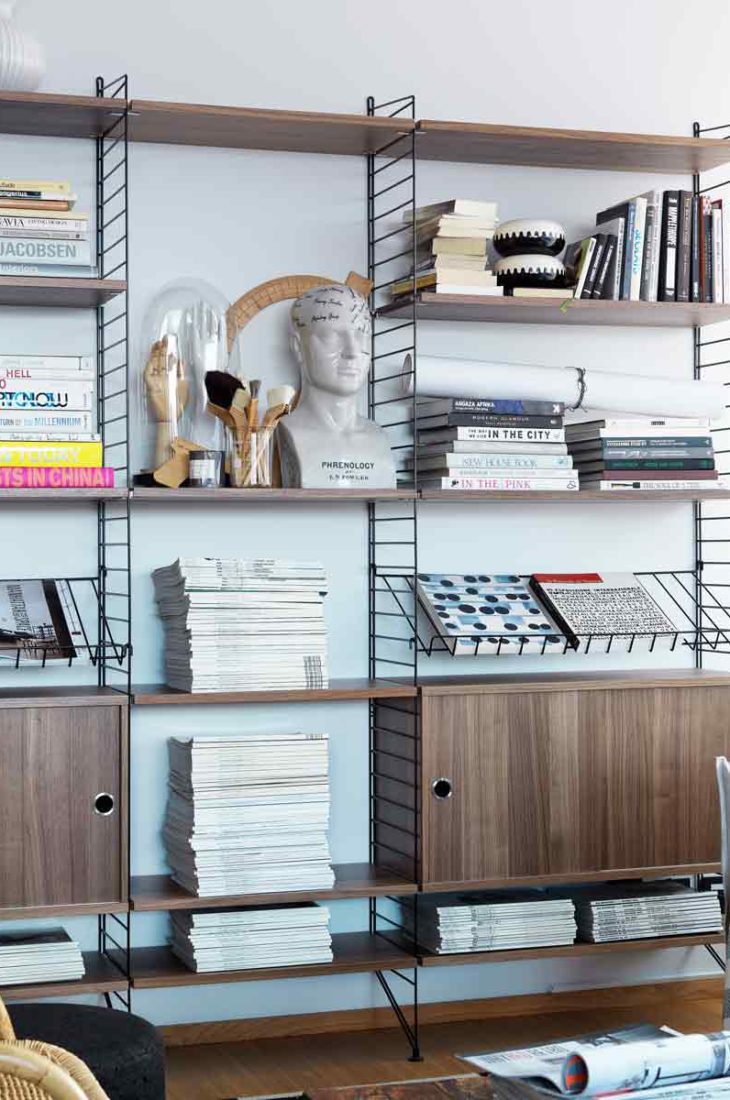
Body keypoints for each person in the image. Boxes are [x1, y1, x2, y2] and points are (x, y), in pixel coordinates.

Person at [277, 284, 396, 488]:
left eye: (361, 334)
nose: (352, 352)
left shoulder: (380, 439)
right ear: (298, 347)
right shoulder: (285, 432)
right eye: (331, 336)